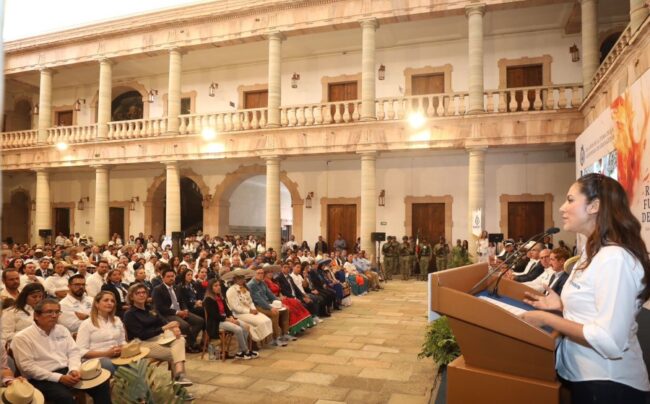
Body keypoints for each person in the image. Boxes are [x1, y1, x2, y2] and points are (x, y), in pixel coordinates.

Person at [522, 174, 650, 403]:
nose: (562, 208)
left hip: (609, 385)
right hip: (583, 377)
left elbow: (610, 340)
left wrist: (548, 318)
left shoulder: (614, 258)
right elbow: (592, 311)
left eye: (570, 200)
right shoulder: (591, 253)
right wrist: (560, 305)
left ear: (594, 206)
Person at [11, 298, 112, 404]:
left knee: (101, 383)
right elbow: (28, 367)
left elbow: (74, 352)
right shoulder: (22, 337)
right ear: (36, 315)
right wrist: (59, 378)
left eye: (57, 312)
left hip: (68, 371)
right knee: (65, 397)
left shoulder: (62, 329)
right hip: (42, 378)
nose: (54, 315)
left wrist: (74, 369)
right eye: (49, 312)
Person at [123, 284, 193, 386]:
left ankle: (179, 377)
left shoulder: (150, 308)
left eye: (144, 292)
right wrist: (164, 328)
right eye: (138, 293)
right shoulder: (130, 314)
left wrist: (174, 327)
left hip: (158, 338)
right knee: (177, 353)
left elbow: (163, 321)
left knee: (180, 339)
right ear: (131, 296)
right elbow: (141, 335)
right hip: (142, 343)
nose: (142, 295)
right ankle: (180, 382)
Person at [152, 265, 204, 352]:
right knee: (184, 325)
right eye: (168, 277)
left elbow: (181, 301)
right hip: (168, 314)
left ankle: (189, 342)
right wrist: (177, 312)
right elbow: (160, 308)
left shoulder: (176, 287)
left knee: (200, 321)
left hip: (180, 311)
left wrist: (185, 309)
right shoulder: (158, 289)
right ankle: (191, 344)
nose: (171, 278)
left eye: (172, 276)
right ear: (163, 278)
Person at [203, 279, 258, 360]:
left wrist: (231, 317)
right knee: (238, 329)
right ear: (211, 288)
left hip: (226, 319)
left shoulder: (220, 297)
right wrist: (228, 320)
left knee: (246, 327)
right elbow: (214, 315)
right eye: (215, 286)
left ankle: (240, 352)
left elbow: (227, 310)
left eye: (219, 285)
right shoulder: (208, 299)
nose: (218, 287)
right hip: (216, 322)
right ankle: (246, 351)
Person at [76, 291, 126, 374]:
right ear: (96, 304)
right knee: (112, 366)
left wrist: (121, 348)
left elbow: (122, 341)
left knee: (136, 363)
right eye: (106, 300)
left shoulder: (117, 320)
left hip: (116, 355)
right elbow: (81, 351)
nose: (110, 303)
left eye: (112, 301)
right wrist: (106, 353)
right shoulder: (87, 324)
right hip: (96, 359)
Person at [247, 268, 294, 344]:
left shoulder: (263, 283)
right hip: (258, 306)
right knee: (275, 313)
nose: (261, 275)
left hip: (267, 303)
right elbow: (258, 299)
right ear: (254, 274)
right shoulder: (251, 285)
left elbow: (270, 295)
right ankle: (275, 338)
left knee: (285, 310)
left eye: (262, 273)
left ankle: (285, 334)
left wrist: (280, 303)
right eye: (258, 273)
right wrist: (270, 308)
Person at [225, 274, 274, 345]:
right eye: (240, 278)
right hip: (239, 314)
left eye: (243, 278)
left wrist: (253, 309)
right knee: (260, 322)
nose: (242, 280)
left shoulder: (245, 288)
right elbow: (235, 307)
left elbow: (250, 301)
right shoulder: (231, 290)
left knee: (267, 320)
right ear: (235, 279)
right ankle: (255, 339)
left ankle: (263, 339)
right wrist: (249, 311)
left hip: (250, 311)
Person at [263, 266, 314, 333]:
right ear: (265, 274)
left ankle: (300, 325)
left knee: (296, 303)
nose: (270, 274)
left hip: (280, 297)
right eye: (268, 273)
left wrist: (281, 296)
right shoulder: (264, 282)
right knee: (291, 307)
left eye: (271, 272)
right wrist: (279, 298)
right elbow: (268, 295)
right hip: (273, 301)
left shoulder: (273, 280)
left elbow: (279, 290)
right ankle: (291, 328)